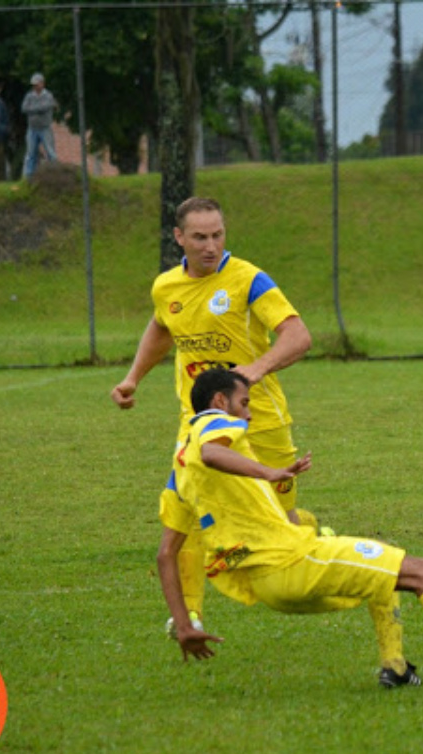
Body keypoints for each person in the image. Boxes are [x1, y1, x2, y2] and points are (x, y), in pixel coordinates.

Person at [160, 368, 423, 689]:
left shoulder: (180, 471)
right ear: (219, 400)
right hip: (292, 561)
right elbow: (215, 452)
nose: (249, 412)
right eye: (244, 402)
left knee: (382, 573)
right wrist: (269, 471)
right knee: (422, 571)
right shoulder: (210, 425)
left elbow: (167, 554)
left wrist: (183, 624)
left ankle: (394, 667)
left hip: (270, 582)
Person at [111, 196, 323, 637]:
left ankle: (313, 538)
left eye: (218, 235)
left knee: (281, 527)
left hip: (260, 421)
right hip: (198, 424)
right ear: (179, 238)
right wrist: (133, 377)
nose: (211, 246)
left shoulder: (249, 279)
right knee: (185, 516)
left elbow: (298, 336)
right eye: (200, 237)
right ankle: (187, 615)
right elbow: (161, 327)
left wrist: (252, 371)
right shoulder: (166, 287)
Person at [21, 72, 58, 179]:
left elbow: (46, 107)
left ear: (42, 83)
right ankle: (28, 176)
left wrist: (33, 109)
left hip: (45, 128)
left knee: (50, 152)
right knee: (30, 153)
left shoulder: (48, 96)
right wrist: (37, 109)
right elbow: (24, 108)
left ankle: (55, 173)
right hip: (32, 128)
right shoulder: (29, 96)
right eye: (34, 85)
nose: (35, 86)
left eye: (37, 84)